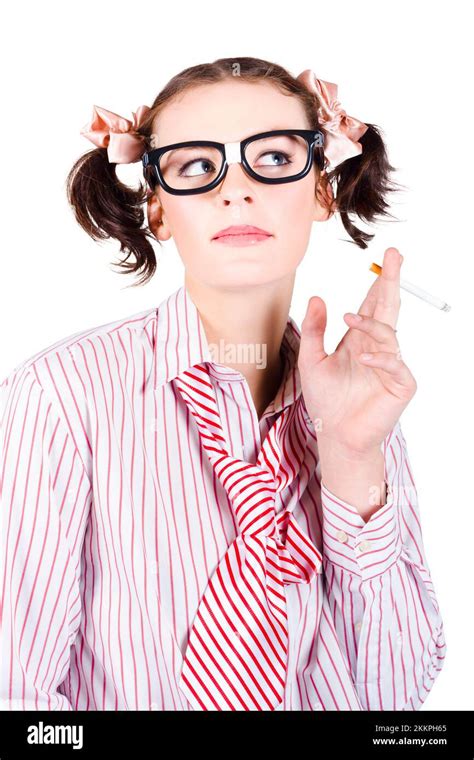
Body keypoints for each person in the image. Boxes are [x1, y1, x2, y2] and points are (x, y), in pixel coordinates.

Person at [0, 56, 446, 711]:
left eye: (272, 159)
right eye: (195, 165)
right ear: (156, 208)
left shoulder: (359, 402)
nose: (235, 190)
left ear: (322, 191)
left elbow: (392, 695)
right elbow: (16, 693)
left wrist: (352, 458)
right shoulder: (60, 397)